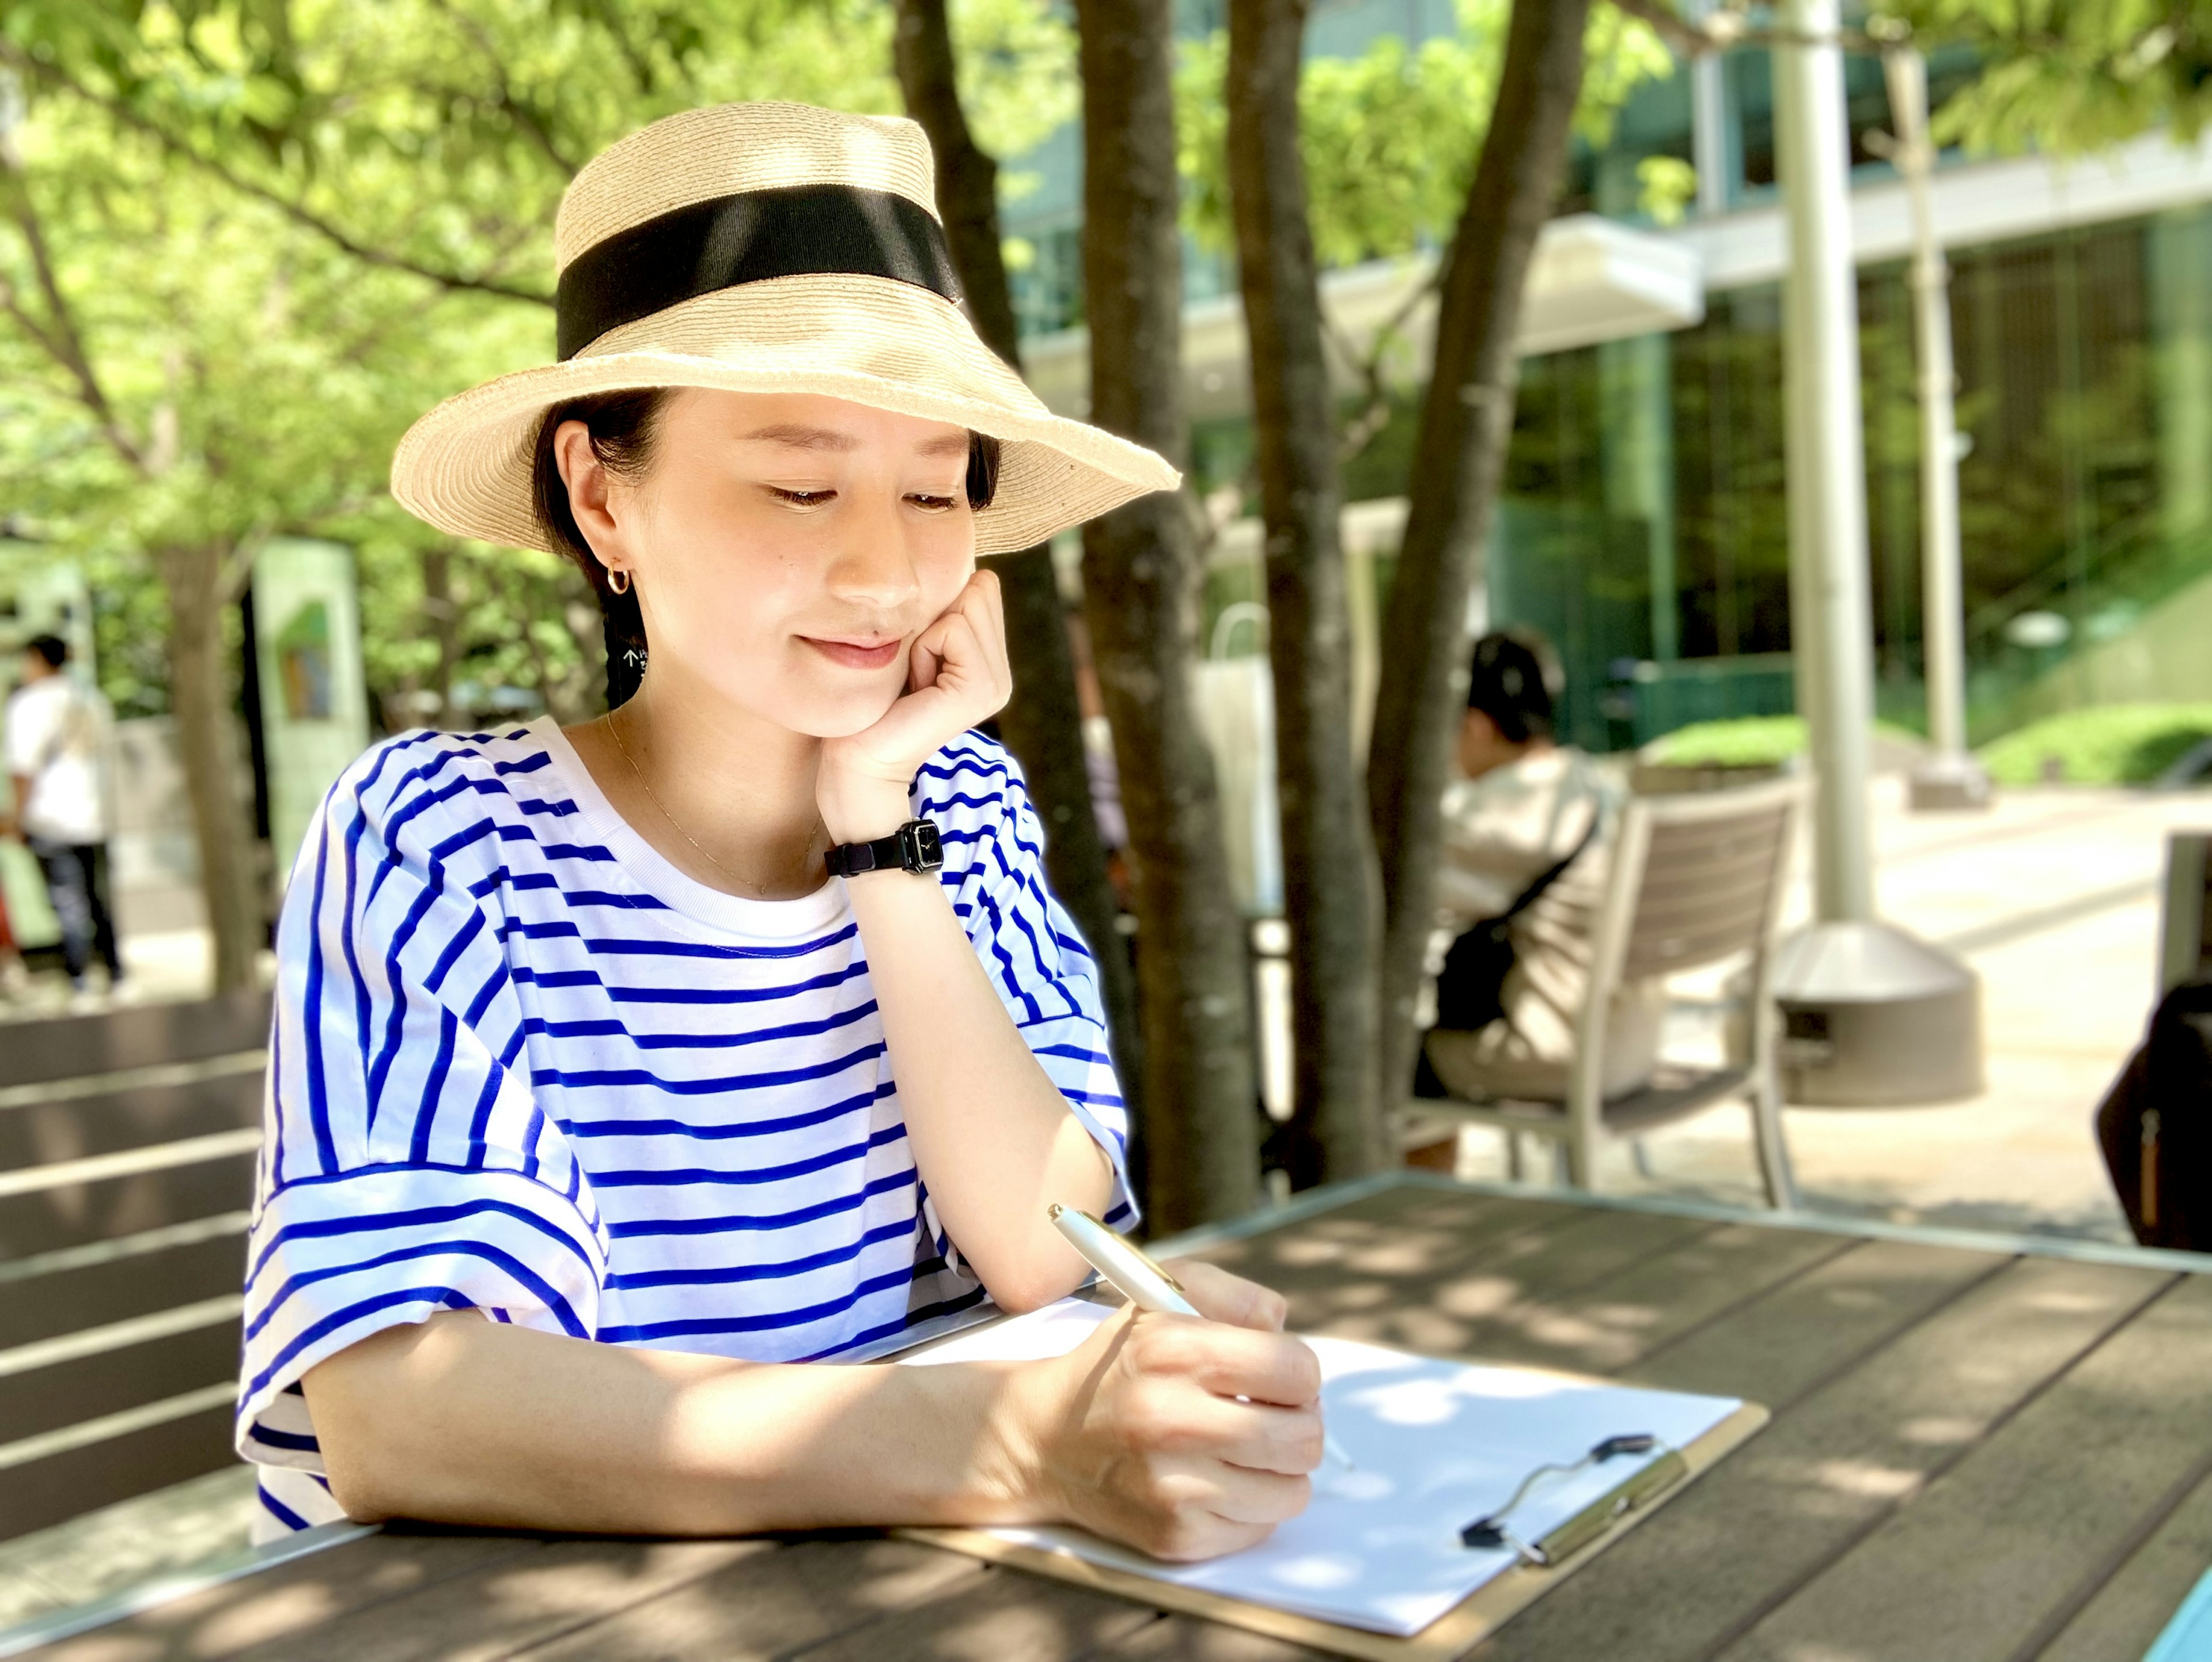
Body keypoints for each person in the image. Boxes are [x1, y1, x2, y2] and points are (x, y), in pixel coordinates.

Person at [236, 103, 1325, 1562]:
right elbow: (403, 1406)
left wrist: (878, 832)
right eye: (801, 483)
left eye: (937, 489)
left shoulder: (964, 810)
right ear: (598, 493)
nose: (885, 568)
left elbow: (1036, 1246)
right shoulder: (441, 835)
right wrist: (1014, 1444)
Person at [1417, 630, 1665, 1117]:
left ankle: (1418, 1195)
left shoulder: (1496, 822)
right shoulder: (1593, 784)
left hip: (1560, 1051)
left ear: (1477, 727)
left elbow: (1396, 903)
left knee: (1381, 1062)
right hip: (1637, 1038)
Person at [3, 634, 123, 1004]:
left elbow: (24, 768)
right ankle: (118, 975)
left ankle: (81, 980)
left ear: (38, 659)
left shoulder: (29, 704)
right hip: (95, 813)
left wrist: (16, 818)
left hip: (51, 816)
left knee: (67, 901)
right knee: (98, 899)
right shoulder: (91, 698)